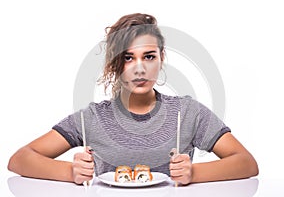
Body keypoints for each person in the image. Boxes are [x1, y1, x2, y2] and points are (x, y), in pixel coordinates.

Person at [8, 13, 258, 185]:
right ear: (115, 64)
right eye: (128, 58)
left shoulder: (188, 112)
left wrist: (193, 172)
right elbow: (19, 159)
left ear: (161, 57)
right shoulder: (93, 118)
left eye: (149, 57)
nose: (140, 69)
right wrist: (70, 171)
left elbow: (247, 164)